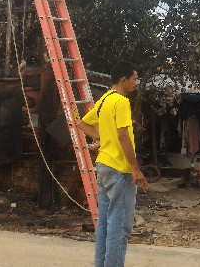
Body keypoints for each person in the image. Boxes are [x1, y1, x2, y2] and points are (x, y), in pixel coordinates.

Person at [76, 60, 149, 267]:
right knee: (119, 226)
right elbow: (124, 137)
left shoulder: (105, 99)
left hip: (104, 167)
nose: (136, 82)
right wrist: (135, 168)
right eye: (134, 78)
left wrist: (102, 140)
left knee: (105, 225)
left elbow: (82, 123)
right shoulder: (121, 102)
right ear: (124, 80)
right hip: (120, 170)